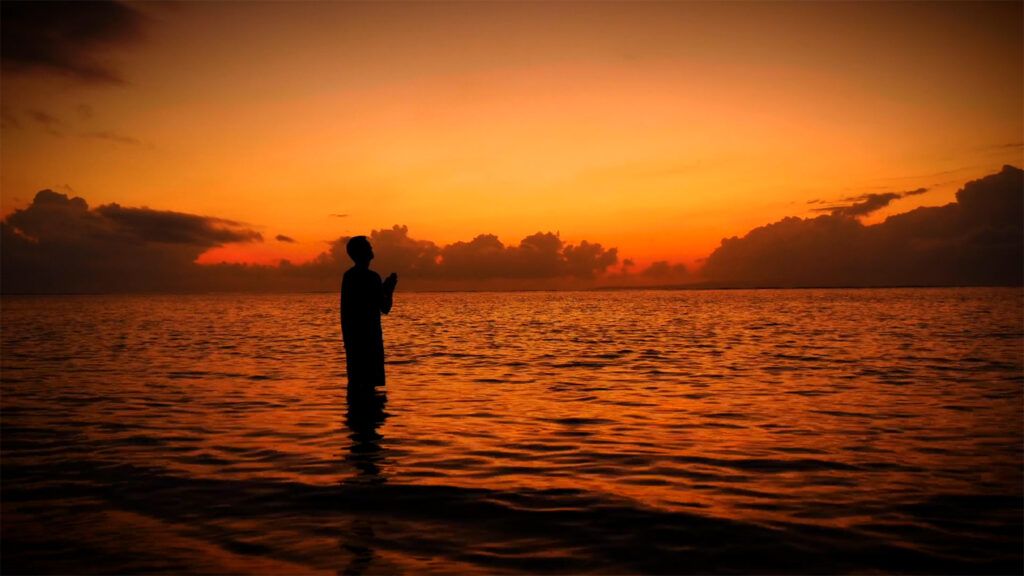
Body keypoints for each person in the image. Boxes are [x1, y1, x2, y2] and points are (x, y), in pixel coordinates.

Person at [341, 236, 397, 391]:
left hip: (354, 342)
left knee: (357, 387)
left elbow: (350, 310)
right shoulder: (371, 277)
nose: (372, 249)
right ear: (362, 252)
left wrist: (383, 289)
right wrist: (390, 290)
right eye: (368, 247)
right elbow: (385, 307)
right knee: (370, 389)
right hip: (370, 340)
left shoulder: (349, 276)